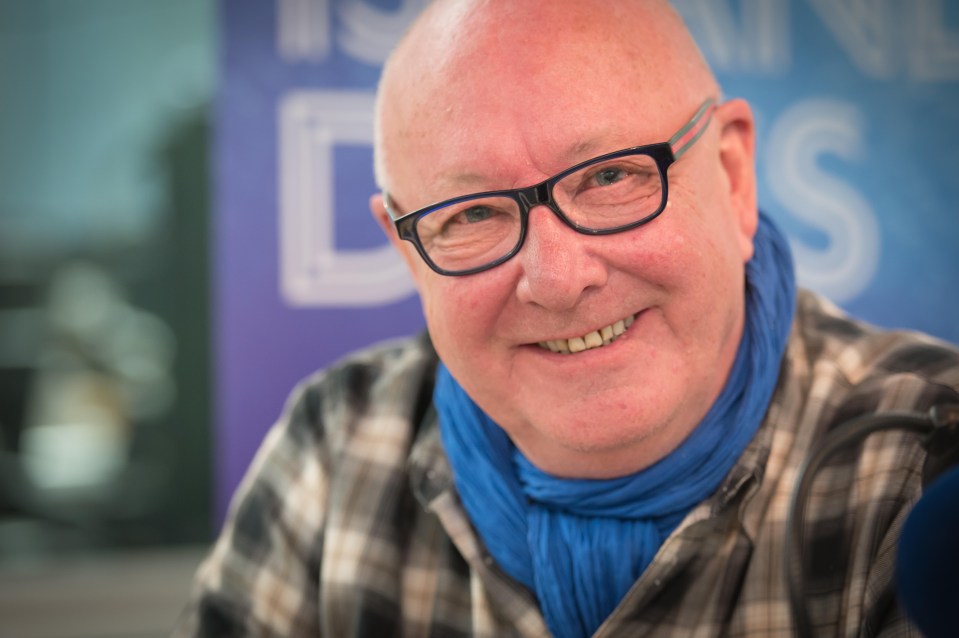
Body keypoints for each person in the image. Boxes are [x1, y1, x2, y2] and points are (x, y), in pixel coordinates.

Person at [176, 1, 959, 636]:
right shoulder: (334, 443)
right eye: (472, 213)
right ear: (408, 251)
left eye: (611, 176)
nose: (557, 279)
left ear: (731, 176)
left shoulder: (923, 459)